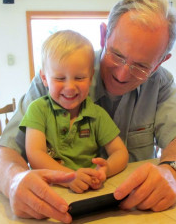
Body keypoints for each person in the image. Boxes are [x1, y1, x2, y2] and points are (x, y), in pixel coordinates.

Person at [0, 0, 176, 223]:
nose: (122, 75)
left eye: (141, 66)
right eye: (117, 55)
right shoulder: (57, 78)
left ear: (160, 62)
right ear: (103, 36)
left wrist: (173, 173)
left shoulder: (161, 82)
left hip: (137, 213)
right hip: (61, 210)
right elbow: (5, 155)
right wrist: (14, 182)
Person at [19, 30, 128, 193]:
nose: (70, 87)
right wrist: (70, 178)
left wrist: (106, 169)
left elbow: (120, 152)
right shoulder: (38, 110)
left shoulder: (96, 114)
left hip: (89, 191)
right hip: (50, 191)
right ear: (44, 78)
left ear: (91, 77)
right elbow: (35, 154)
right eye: (60, 78)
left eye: (79, 78)